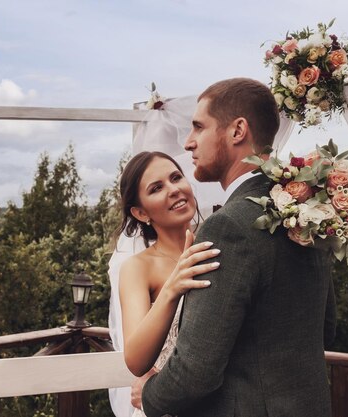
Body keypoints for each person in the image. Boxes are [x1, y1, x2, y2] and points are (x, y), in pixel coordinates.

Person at [139, 78, 337, 417]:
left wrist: (149, 394)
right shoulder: (309, 213)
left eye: (199, 127)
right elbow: (326, 329)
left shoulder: (227, 227)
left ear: (237, 131)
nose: (188, 143)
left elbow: (194, 373)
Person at [116, 151, 222, 417]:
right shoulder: (138, 268)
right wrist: (172, 289)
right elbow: (136, 360)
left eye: (176, 177)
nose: (174, 189)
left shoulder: (218, 248)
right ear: (140, 212)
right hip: (165, 407)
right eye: (157, 188)